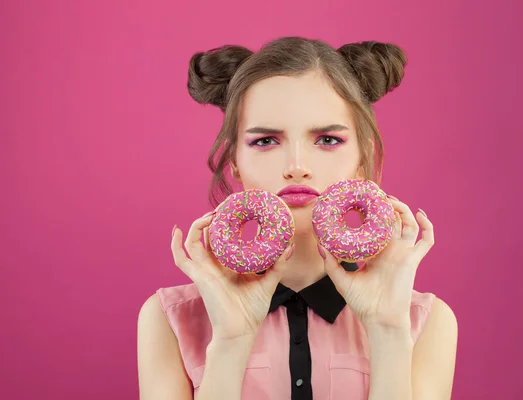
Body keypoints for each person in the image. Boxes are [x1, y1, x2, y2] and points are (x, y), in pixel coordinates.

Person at [137, 36, 458, 400]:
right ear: (234, 163)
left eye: (327, 139)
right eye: (266, 141)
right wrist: (230, 340)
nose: (297, 167)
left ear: (363, 158)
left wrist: (387, 331)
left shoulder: (422, 321)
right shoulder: (171, 318)